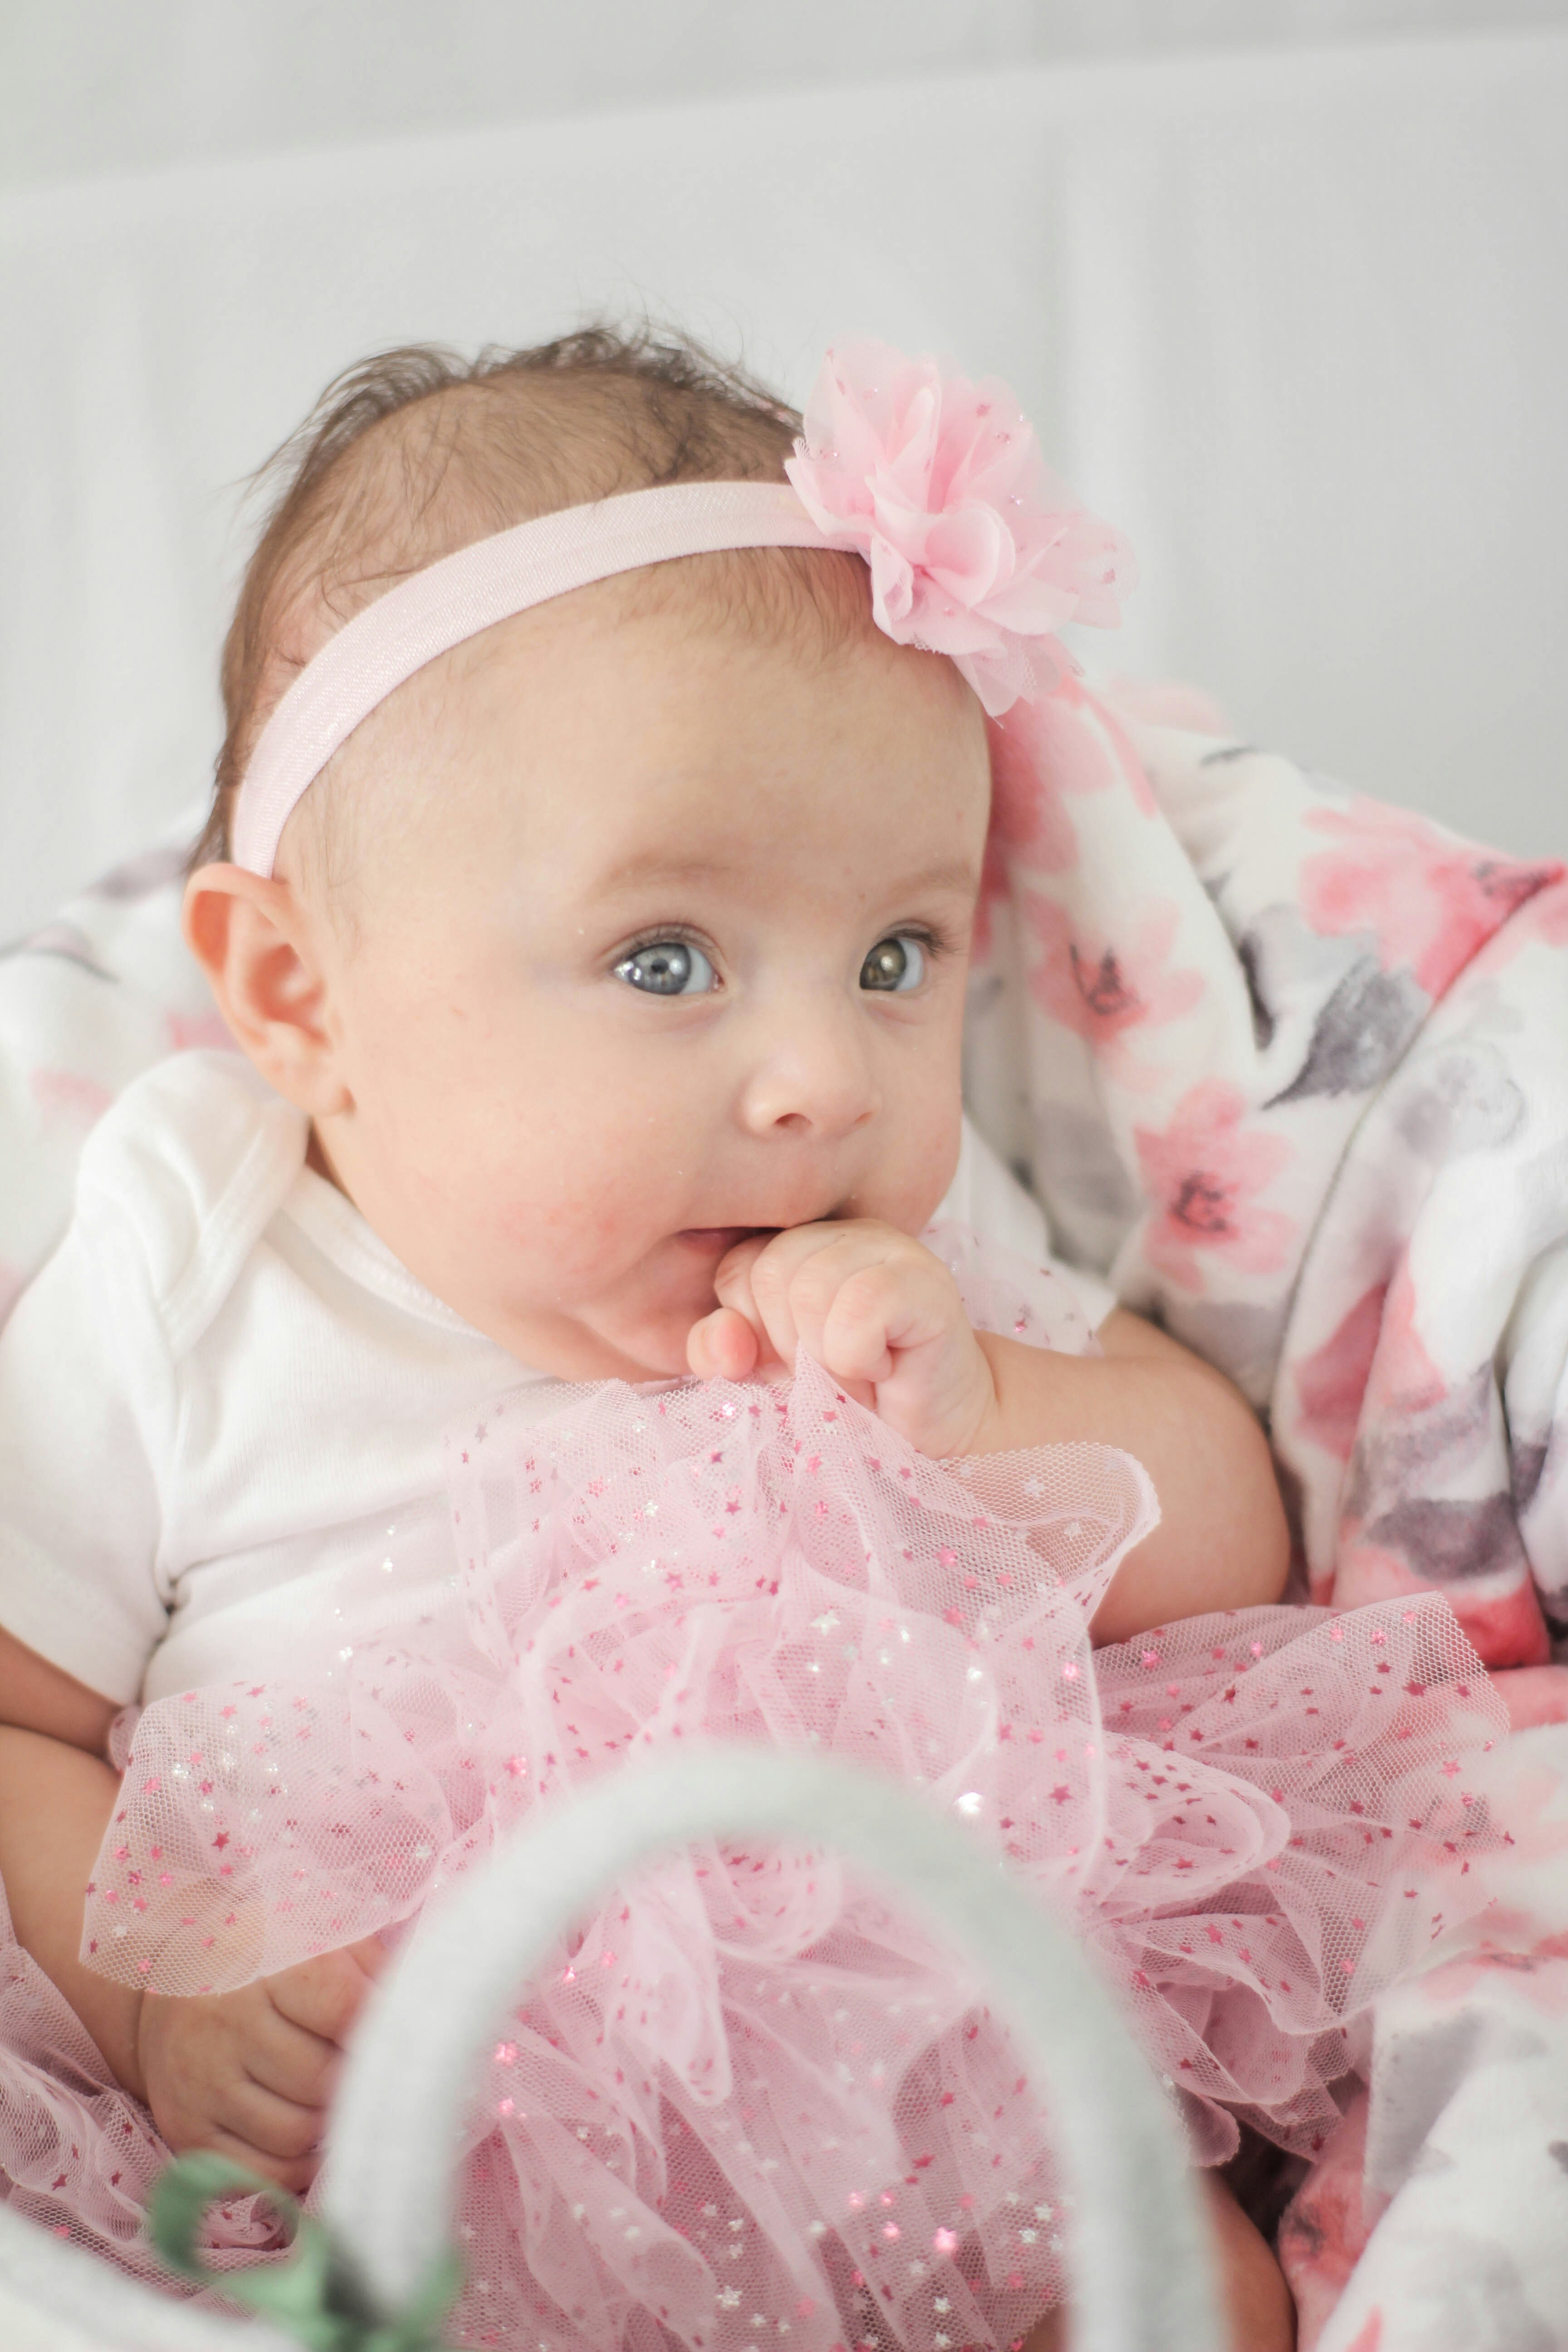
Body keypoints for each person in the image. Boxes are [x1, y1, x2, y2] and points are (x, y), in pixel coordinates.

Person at [0, 327, 1503, 2352]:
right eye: (667, 958)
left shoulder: (905, 1239)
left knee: (1180, 2268)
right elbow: (14, 1718)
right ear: (296, 995)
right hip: (405, 2158)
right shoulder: (201, 1258)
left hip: (923, 2078)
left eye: (897, 957)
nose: (820, 1076)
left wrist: (984, 1405)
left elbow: (1228, 1527)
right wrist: (161, 1998)